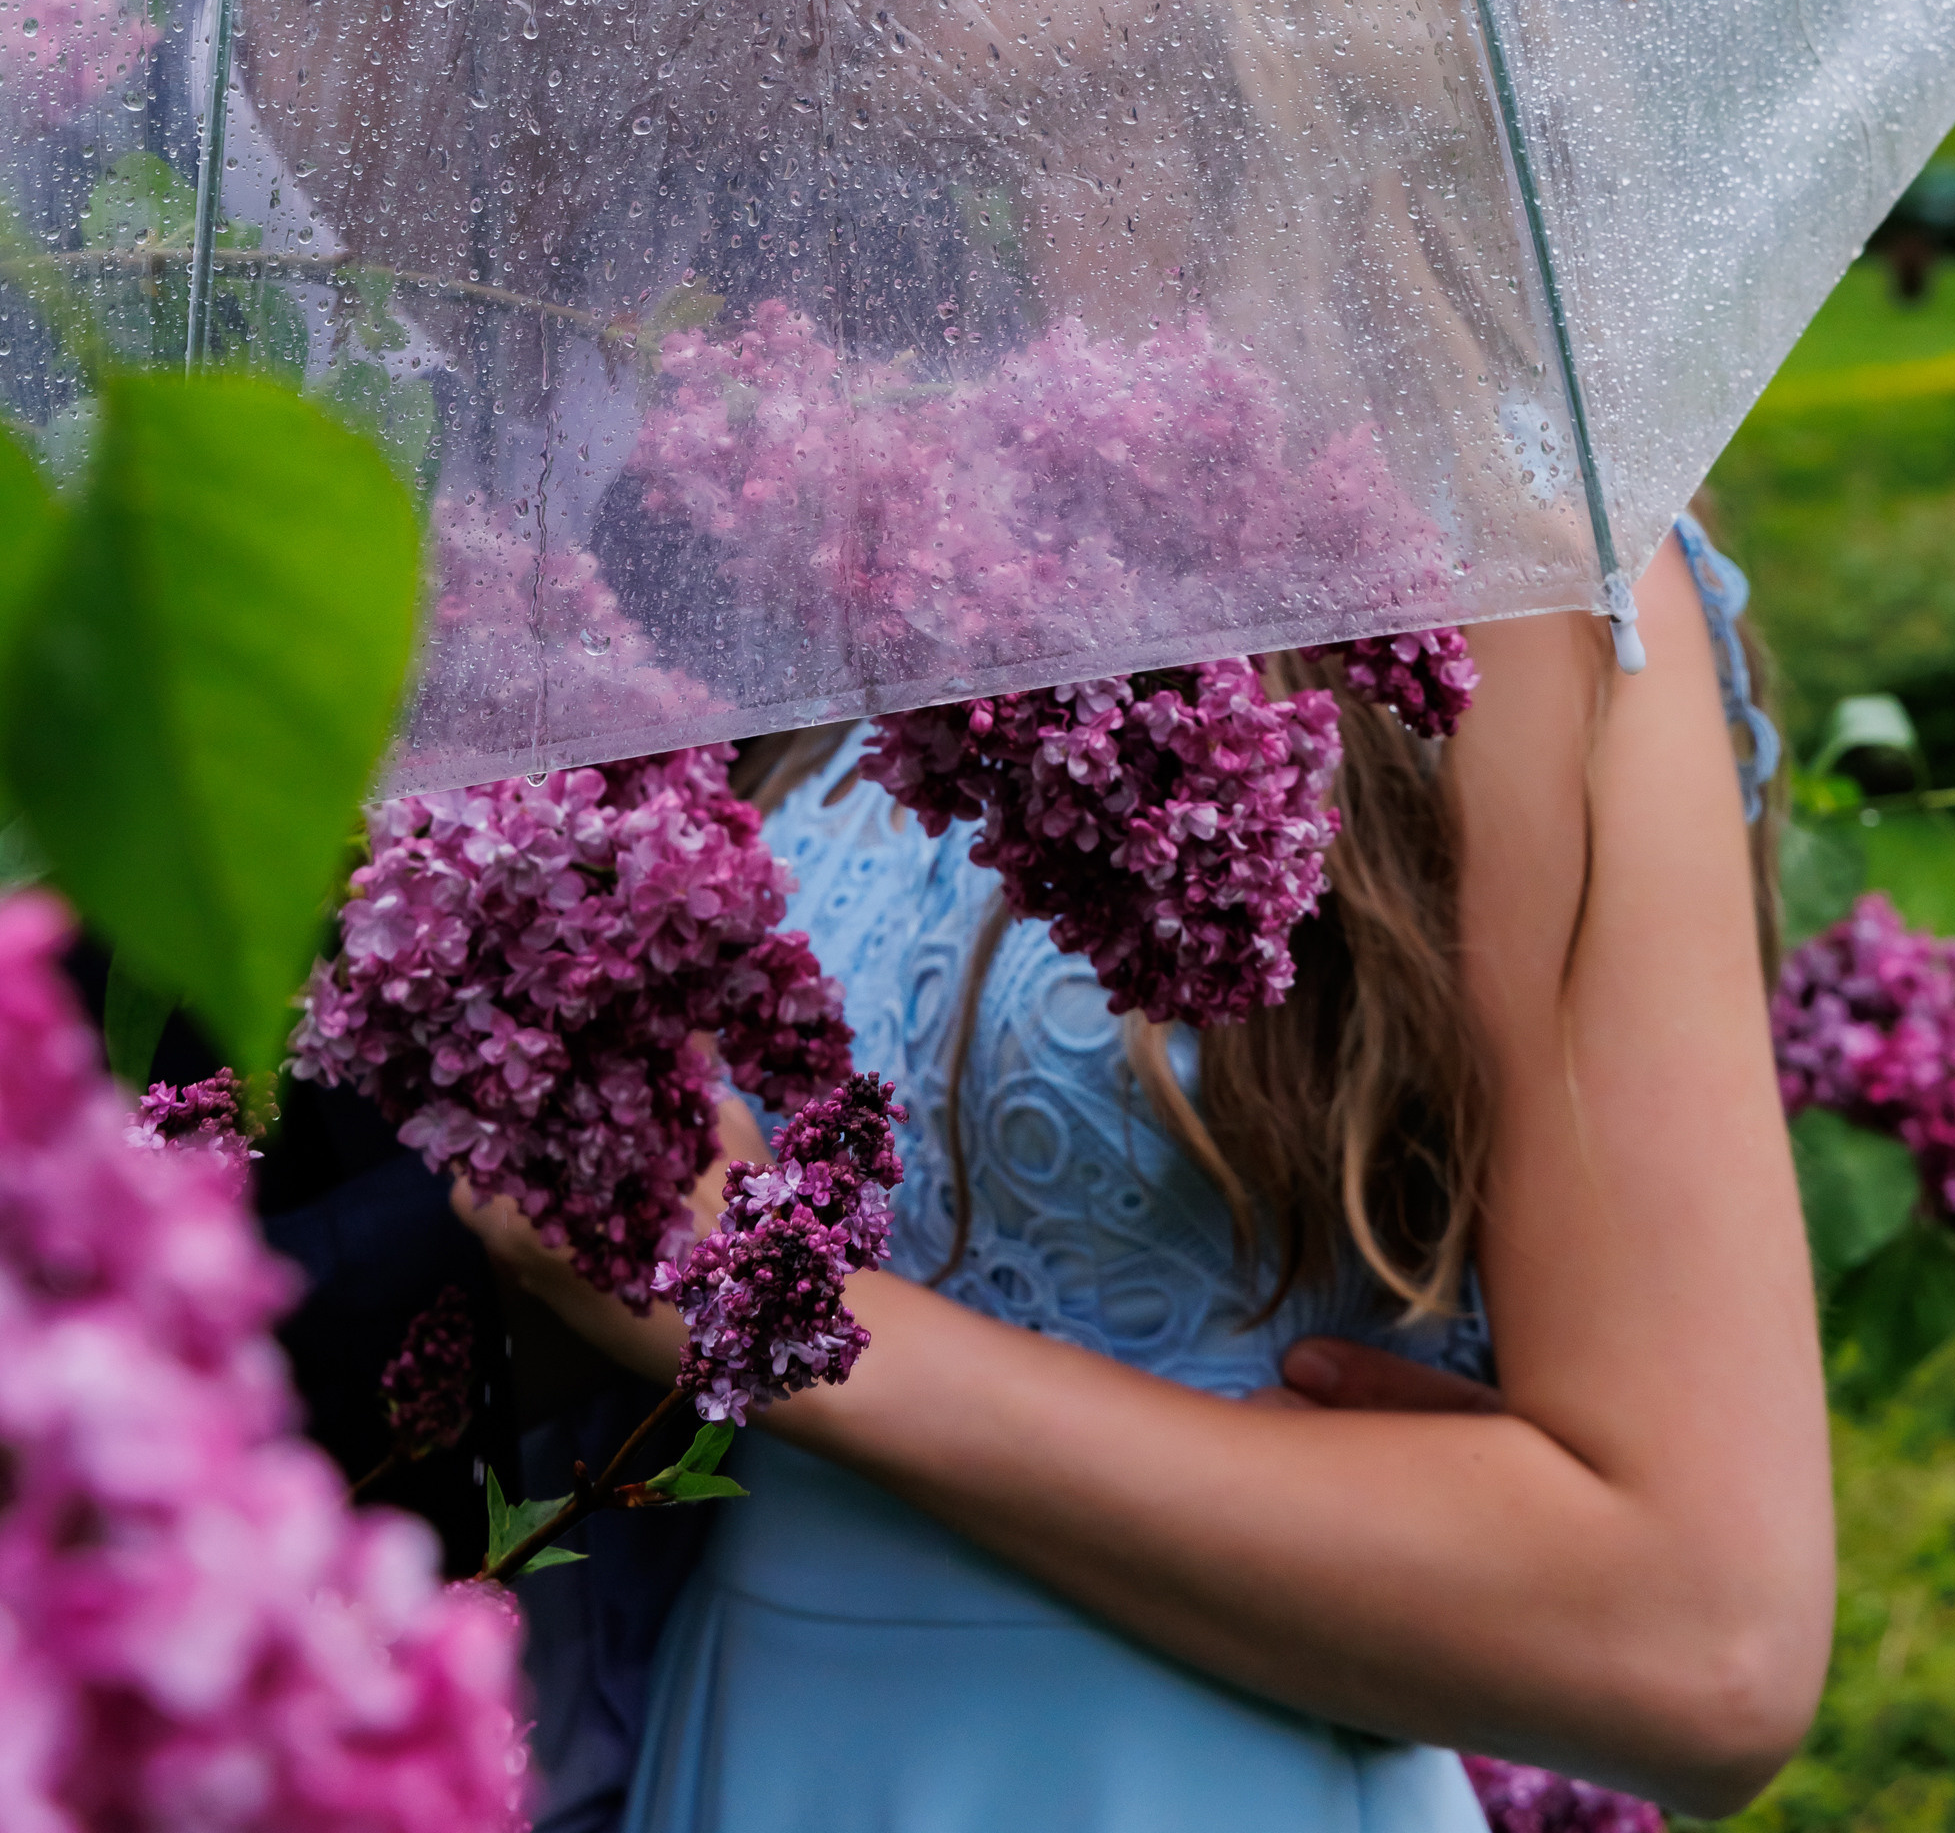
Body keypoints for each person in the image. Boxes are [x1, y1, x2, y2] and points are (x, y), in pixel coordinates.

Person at [457, 523, 1831, 1833]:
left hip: (1202, 1770)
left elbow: (1706, 1647)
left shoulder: (1526, 583)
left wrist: (787, 1317)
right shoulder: (830, 507)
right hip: (766, 1741)